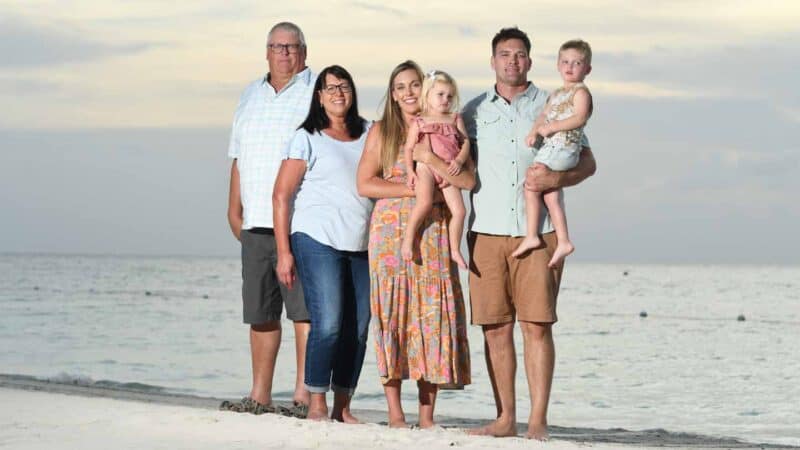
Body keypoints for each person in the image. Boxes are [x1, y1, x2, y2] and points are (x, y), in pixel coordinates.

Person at [461, 27, 596, 440]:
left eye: (519, 55)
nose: (512, 62)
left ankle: (538, 420)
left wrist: (556, 175)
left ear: (530, 61)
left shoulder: (556, 101)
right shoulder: (473, 111)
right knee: (495, 327)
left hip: (538, 232)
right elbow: (459, 167)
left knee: (536, 325)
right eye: (504, 54)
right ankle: (505, 419)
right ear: (493, 61)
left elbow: (587, 163)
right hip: (485, 232)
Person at [356, 61, 473, 429]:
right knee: (393, 315)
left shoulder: (445, 125)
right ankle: (395, 414)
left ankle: (427, 416)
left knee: (431, 316)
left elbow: (467, 180)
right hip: (390, 234)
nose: (408, 92)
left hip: (435, 231)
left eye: (414, 85)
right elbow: (365, 184)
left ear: (425, 88)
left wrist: (432, 159)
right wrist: (404, 189)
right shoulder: (382, 131)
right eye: (400, 87)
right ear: (392, 94)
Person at [222, 22, 314, 417]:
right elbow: (239, 155)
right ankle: (259, 396)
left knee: (304, 312)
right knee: (260, 313)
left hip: (300, 221)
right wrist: (233, 208)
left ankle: (303, 398)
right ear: (266, 52)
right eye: (277, 47)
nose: (284, 54)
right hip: (255, 220)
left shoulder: (316, 91)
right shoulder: (249, 95)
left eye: (291, 47)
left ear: (303, 52)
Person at [273, 65, 372, 423]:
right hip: (316, 238)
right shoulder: (307, 137)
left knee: (358, 328)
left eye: (343, 86)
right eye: (330, 88)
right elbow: (281, 196)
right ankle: (316, 400)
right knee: (328, 322)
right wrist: (284, 253)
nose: (337, 93)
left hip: (361, 241)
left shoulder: (369, 133)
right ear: (319, 96)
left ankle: (343, 406)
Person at [512, 39, 594, 265]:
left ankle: (531, 236)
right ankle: (564, 240)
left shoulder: (580, 92)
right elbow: (543, 116)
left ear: (587, 69)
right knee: (550, 194)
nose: (570, 67)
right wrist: (535, 131)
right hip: (552, 146)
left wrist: (551, 128)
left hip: (564, 147)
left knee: (531, 183)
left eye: (577, 63)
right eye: (565, 62)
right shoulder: (557, 93)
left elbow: (580, 117)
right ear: (558, 65)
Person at [400, 70, 471, 270]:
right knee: (424, 202)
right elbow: (409, 148)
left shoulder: (455, 119)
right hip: (426, 168)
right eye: (440, 95)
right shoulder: (420, 121)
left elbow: (465, 143)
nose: (445, 100)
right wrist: (410, 171)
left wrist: (459, 160)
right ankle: (408, 238)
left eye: (449, 96)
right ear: (428, 96)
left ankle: (455, 249)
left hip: (449, 170)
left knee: (460, 211)